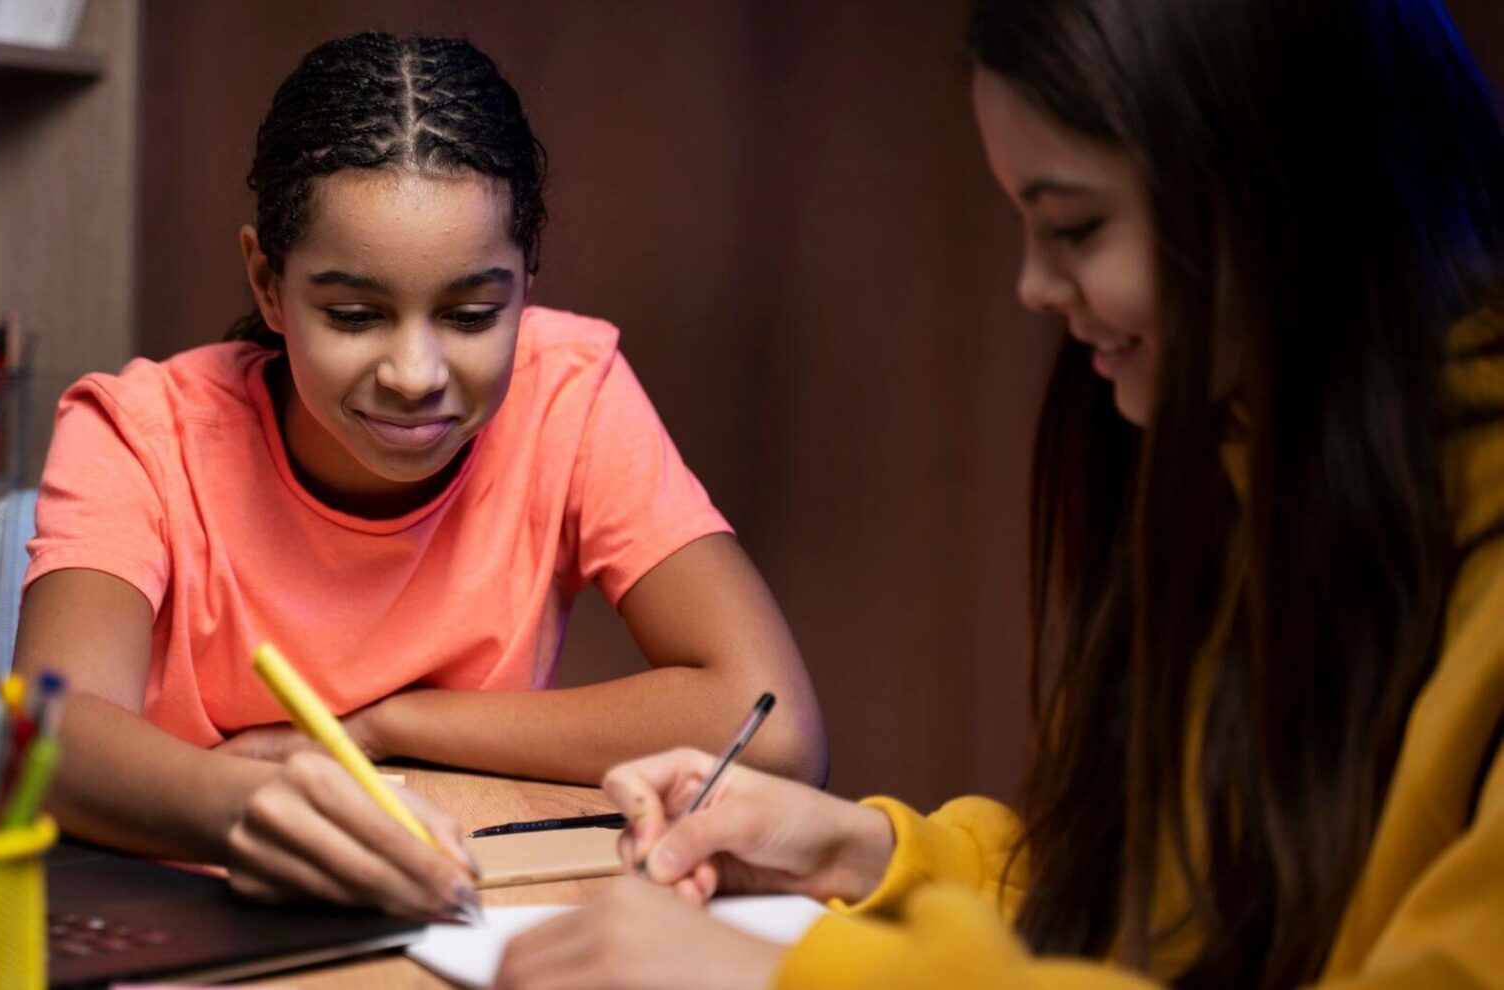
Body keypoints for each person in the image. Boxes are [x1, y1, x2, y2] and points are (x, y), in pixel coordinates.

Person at [496, 0, 1504, 985]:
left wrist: (799, 973)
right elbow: (1168, 923)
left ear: (1282, 187)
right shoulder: (1248, 467)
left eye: (1076, 226)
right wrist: (867, 855)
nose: (1032, 285)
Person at [12, 33, 826, 918]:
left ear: (525, 285)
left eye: (473, 314)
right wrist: (262, 811)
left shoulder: (570, 393)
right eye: (355, 314)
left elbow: (774, 730)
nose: (415, 372)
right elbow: (53, 733)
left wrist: (385, 727)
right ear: (269, 282)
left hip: (449, 907)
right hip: (196, 911)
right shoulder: (136, 435)